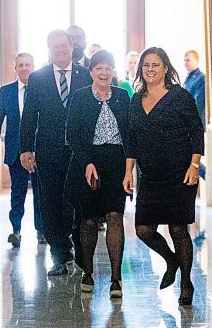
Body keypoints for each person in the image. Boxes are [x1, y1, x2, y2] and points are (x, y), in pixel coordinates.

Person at [122, 47, 204, 306]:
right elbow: (132, 139)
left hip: (179, 173)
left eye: (155, 65)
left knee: (178, 228)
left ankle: (187, 283)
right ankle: (171, 259)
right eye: (145, 65)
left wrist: (194, 165)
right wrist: (128, 171)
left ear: (166, 68)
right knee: (143, 229)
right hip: (150, 175)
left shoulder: (180, 97)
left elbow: (196, 132)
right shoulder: (136, 99)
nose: (149, 70)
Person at [20, 30, 92, 276]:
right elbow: (29, 115)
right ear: (48, 50)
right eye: (55, 47)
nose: (60, 51)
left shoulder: (86, 75)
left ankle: (79, 251)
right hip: (48, 151)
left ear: (72, 47)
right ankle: (59, 255)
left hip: (79, 152)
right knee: (50, 202)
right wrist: (25, 148)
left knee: (76, 202)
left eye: (64, 46)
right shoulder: (37, 78)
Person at [66, 50, 130, 298]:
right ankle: (88, 272)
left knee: (115, 216)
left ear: (113, 71)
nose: (104, 73)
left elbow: (131, 134)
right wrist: (87, 163)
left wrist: (129, 168)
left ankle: (116, 278)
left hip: (116, 163)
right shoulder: (80, 97)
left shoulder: (123, 97)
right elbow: (72, 135)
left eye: (108, 68)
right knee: (89, 219)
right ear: (91, 71)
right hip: (87, 163)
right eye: (98, 68)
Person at [0, 53, 45, 248]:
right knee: (17, 192)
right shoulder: (6, 92)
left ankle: (41, 230)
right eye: (20, 65)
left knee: (40, 192)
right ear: (15, 68)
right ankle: (16, 230)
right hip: (14, 150)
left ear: (33, 66)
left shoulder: (42, 89)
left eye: (28, 64)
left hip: (39, 151)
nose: (24, 68)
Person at [183, 50, 205, 131]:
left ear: (197, 61)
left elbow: (198, 103)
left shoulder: (201, 78)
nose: (185, 63)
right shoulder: (188, 78)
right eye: (184, 60)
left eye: (188, 60)